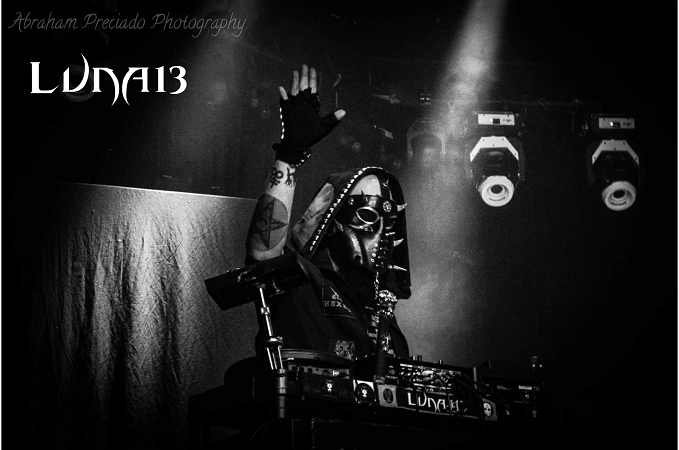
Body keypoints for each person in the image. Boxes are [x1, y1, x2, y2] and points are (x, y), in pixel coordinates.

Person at [245, 64, 413, 363]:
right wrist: (289, 155)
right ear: (332, 219)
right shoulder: (303, 283)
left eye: (390, 223)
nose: (381, 235)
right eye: (368, 216)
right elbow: (264, 253)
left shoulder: (385, 316)